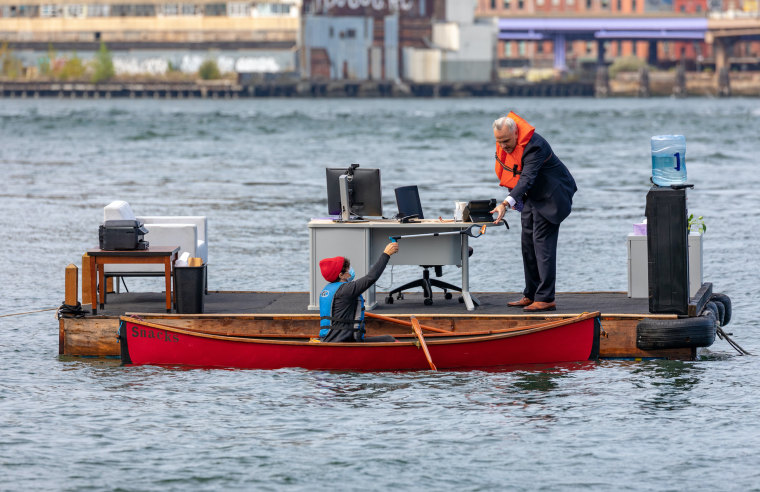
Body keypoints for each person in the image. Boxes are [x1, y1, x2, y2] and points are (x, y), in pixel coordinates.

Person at [489, 112, 577, 312]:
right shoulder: (506, 144)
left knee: (542, 246)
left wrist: (505, 203)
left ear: (516, 133)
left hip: (552, 197)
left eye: (506, 141)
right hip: (531, 196)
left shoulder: (535, 145)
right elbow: (517, 177)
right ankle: (531, 294)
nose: (503, 146)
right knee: (527, 244)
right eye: (498, 141)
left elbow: (527, 177)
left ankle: (546, 298)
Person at [318, 242, 399, 342]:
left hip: (327, 339)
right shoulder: (346, 290)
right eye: (348, 269)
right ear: (341, 275)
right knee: (389, 339)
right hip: (343, 341)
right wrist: (386, 254)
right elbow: (371, 278)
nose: (350, 271)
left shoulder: (327, 290)